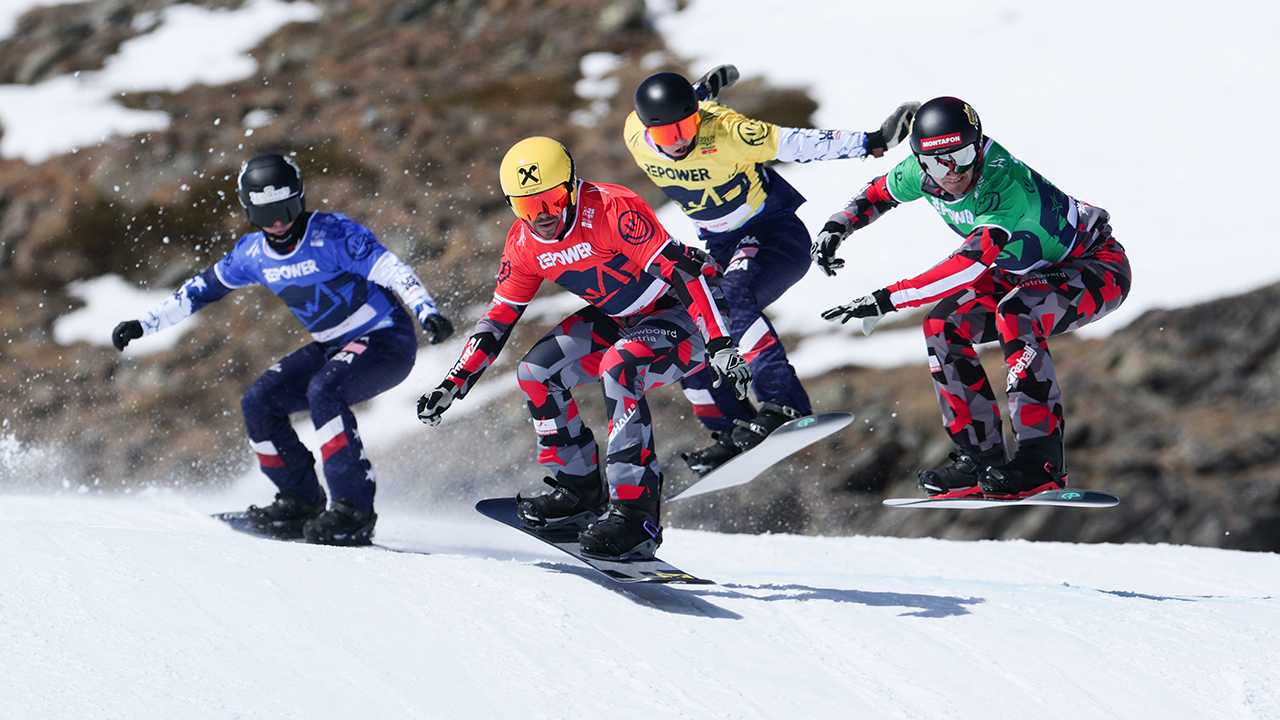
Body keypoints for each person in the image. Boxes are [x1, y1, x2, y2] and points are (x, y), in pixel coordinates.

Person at [416, 137, 751, 560]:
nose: (543, 217)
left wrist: (720, 343)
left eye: (552, 200)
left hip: (685, 309)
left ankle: (636, 516)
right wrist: (454, 381)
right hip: (622, 315)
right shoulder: (523, 243)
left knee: (620, 366)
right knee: (535, 372)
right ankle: (578, 493)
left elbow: (686, 274)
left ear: (572, 187)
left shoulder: (612, 209)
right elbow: (498, 319)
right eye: (526, 206)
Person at [111, 153, 454, 544]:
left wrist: (427, 311)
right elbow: (199, 290)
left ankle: (353, 511)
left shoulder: (334, 235)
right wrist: (144, 324)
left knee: (325, 390)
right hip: (333, 345)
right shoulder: (251, 255)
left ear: (301, 198)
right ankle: (299, 500)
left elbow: (392, 269)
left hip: (386, 340)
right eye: (265, 213)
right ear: (248, 212)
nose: (278, 222)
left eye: (287, 208)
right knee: (259, 401)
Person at [813, 97, 1131, 498]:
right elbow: (877, 194)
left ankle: (1041, 462)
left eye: (961, 156)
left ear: (978, 146)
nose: (951, 174)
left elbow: (968, 265)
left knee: (1016, 313)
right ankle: (980, 458)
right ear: (920, 161)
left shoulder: (1002, 184)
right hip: (1022, 267)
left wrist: (887, 298)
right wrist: (836, 227)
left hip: (1097, 267)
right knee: (942, 325)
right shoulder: (923, 170)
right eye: (935, 164)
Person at [624, 66, 918, 476]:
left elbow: (799, 143)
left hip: (774, 235)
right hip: (722, 246)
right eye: (668, 135)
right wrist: (702, 90)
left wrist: (873, 142)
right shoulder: (634, 135)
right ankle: (729, 428)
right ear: (645, 130)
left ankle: (784, 403)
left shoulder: (727, 131)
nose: (681, 141)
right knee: (693, 320)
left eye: (688, 126)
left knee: (734, 294)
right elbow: (680, 106)